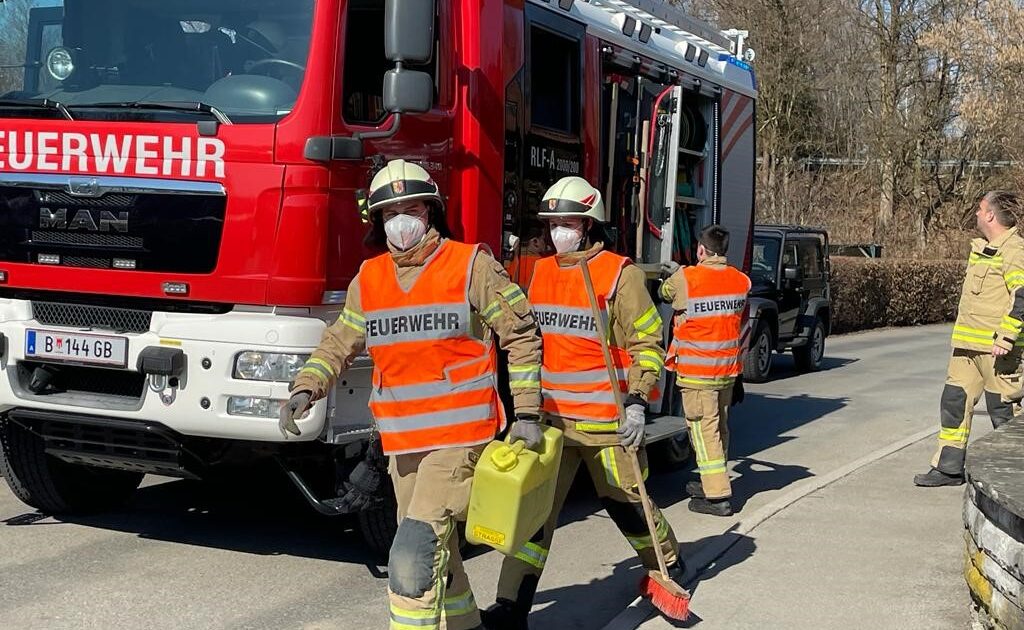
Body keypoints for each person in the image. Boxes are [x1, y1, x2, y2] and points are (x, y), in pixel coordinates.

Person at [280, 159, 543, 630]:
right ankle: (468, 625)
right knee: (433, 545)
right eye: (389, 212)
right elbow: (341, 340)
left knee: (412, 553)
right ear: (378, 222)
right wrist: (307, 385)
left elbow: (521, 335)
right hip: (403, 443)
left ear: (431, 212)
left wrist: (527, 413)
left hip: (461, 436)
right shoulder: (371, 279)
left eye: (412, 208)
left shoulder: (471, 265)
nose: (401, 220)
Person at [483, 176, 681, 629]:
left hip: (605, 423)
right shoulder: (543, 272)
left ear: (589, 225)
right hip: (551, 421)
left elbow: (648, 341)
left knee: (628, 504)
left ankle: (666, 564)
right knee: (532, 514)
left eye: (567, 223)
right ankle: (511, 605)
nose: (558, 233)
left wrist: (636, 401)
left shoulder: (620, 273)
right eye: (552, 224)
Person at [914, 191, 1024, 487]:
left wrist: (1007, 336)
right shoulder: (983, 248)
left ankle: (1015, 476)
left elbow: (1022, 296)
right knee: (953, 403)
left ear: (990, 215)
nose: (976, 213)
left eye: (980, 209)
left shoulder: (1014, 250)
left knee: (1003, 413)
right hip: (967, 350)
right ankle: (948, 468)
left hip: (999, 352)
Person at [660, 225, 751, 517]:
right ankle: (711, 481)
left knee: (703, 431)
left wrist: (675, 272)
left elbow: (665, 293)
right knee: (719, 428)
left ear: (701, 249)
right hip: (726, 371)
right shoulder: (740, 281)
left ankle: (716, 496)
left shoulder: (686, 278)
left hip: (697, 372)